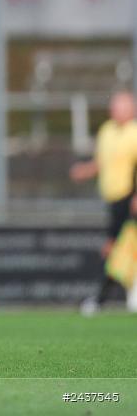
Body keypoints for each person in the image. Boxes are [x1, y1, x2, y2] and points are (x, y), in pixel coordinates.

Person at [70, 90, 137, 315]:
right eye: (114, 106)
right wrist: (85, 171)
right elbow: (101, 162)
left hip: (130, 200)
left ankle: (100, 299)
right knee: (118, 248)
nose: (115, 110)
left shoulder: (135, 133)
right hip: (113, 200)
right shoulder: (106, 131)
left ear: (131, 109)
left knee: (116, 248)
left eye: (121, 106)